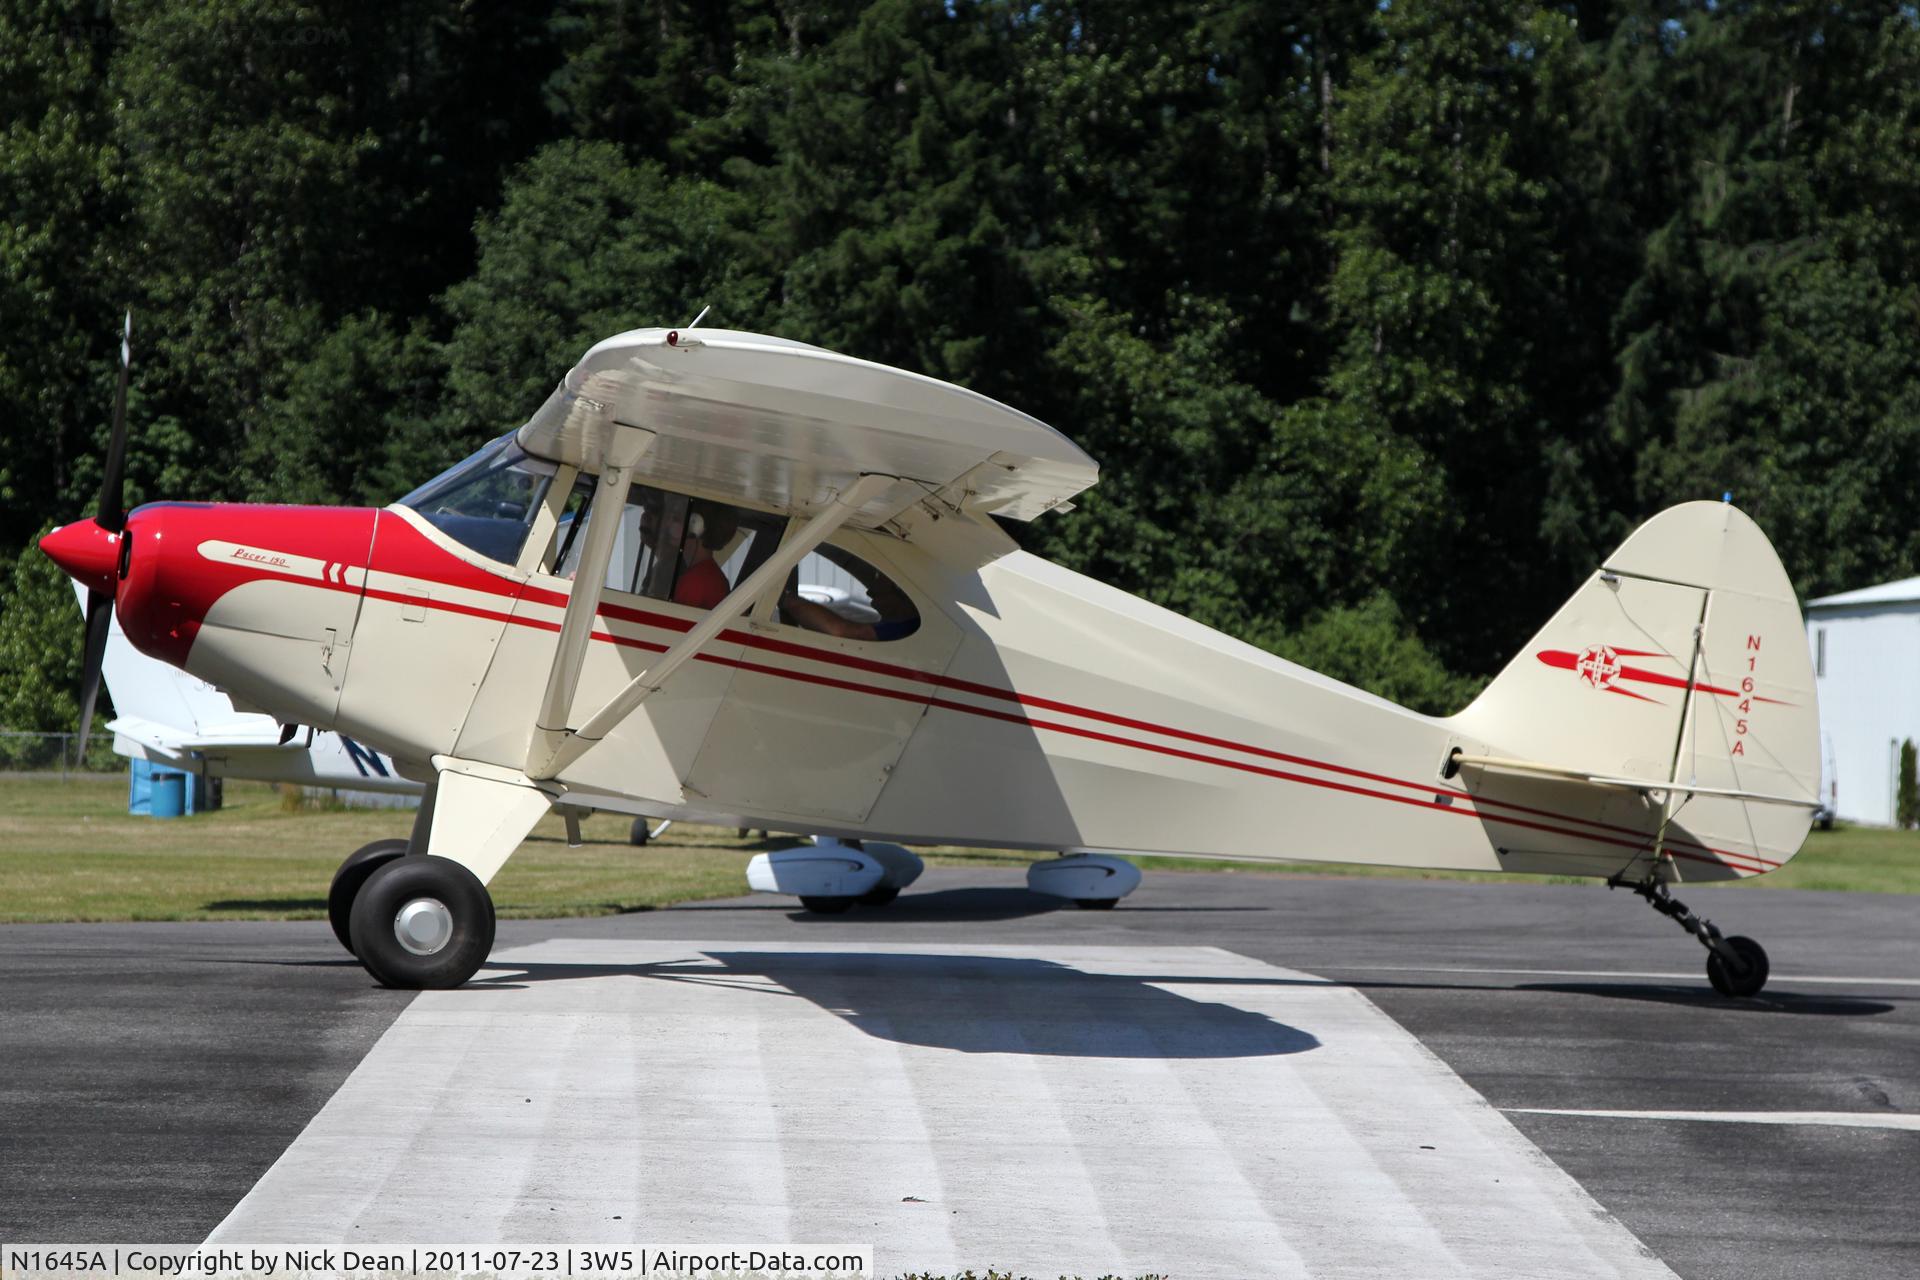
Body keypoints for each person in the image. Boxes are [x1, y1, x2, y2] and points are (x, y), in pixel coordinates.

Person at [780, 577, 919, 642]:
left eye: (881, 578)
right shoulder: (902, 624)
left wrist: (787, 600)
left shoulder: (907, 626)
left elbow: (842, 631)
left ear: (900, 591)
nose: (870, 592)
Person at [672, 503, 739, 609]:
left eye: (676, 519)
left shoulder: (695, 581)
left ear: (695, 526)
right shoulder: (711, 576)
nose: (669, 525)